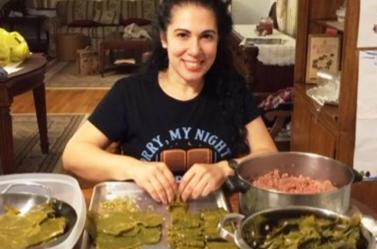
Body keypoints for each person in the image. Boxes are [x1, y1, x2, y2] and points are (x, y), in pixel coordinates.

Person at [62, 0, 277, 205]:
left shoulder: (232, 89)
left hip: (217, 215)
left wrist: (225, 169)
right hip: (144, 214)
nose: (195, 50)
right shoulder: (129, 93)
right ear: (165, 38)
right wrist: (134, 168)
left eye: (207, 36)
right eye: (183, 35)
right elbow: (73, 155)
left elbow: (269, 155)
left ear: (218, 41)